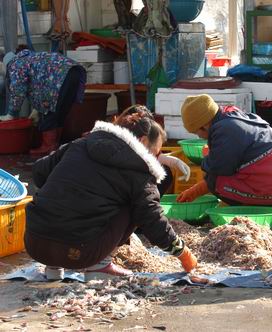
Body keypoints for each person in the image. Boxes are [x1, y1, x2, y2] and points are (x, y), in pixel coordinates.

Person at [25, 106, 197, 281]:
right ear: (144, 142)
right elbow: (152, 219)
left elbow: (39, 172)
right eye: (157, 152)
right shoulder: (139, 173)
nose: (156, 157)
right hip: (79, 252)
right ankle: (99, 266)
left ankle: (53, 268)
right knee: (137, 205)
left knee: (65, 192)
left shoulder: (80, 144)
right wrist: (183, 252)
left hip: (35, 243)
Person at [177, 94, 272, 208]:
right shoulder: (234, 115)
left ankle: (258, 210)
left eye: (197, 133)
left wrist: (206, 159)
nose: (199, 137)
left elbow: (218, 168)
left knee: (214, 181)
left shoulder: (225, 129)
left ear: (204, 126)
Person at [1, 47, 87, 155]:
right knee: (59, 112)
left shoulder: (15, 65)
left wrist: (11, 113)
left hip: (58, 77)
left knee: (48, 111)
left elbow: (18, 90)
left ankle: (48, 147)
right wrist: (37, 109)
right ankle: (55, 145)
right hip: (73, 71)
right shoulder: (31, 58)